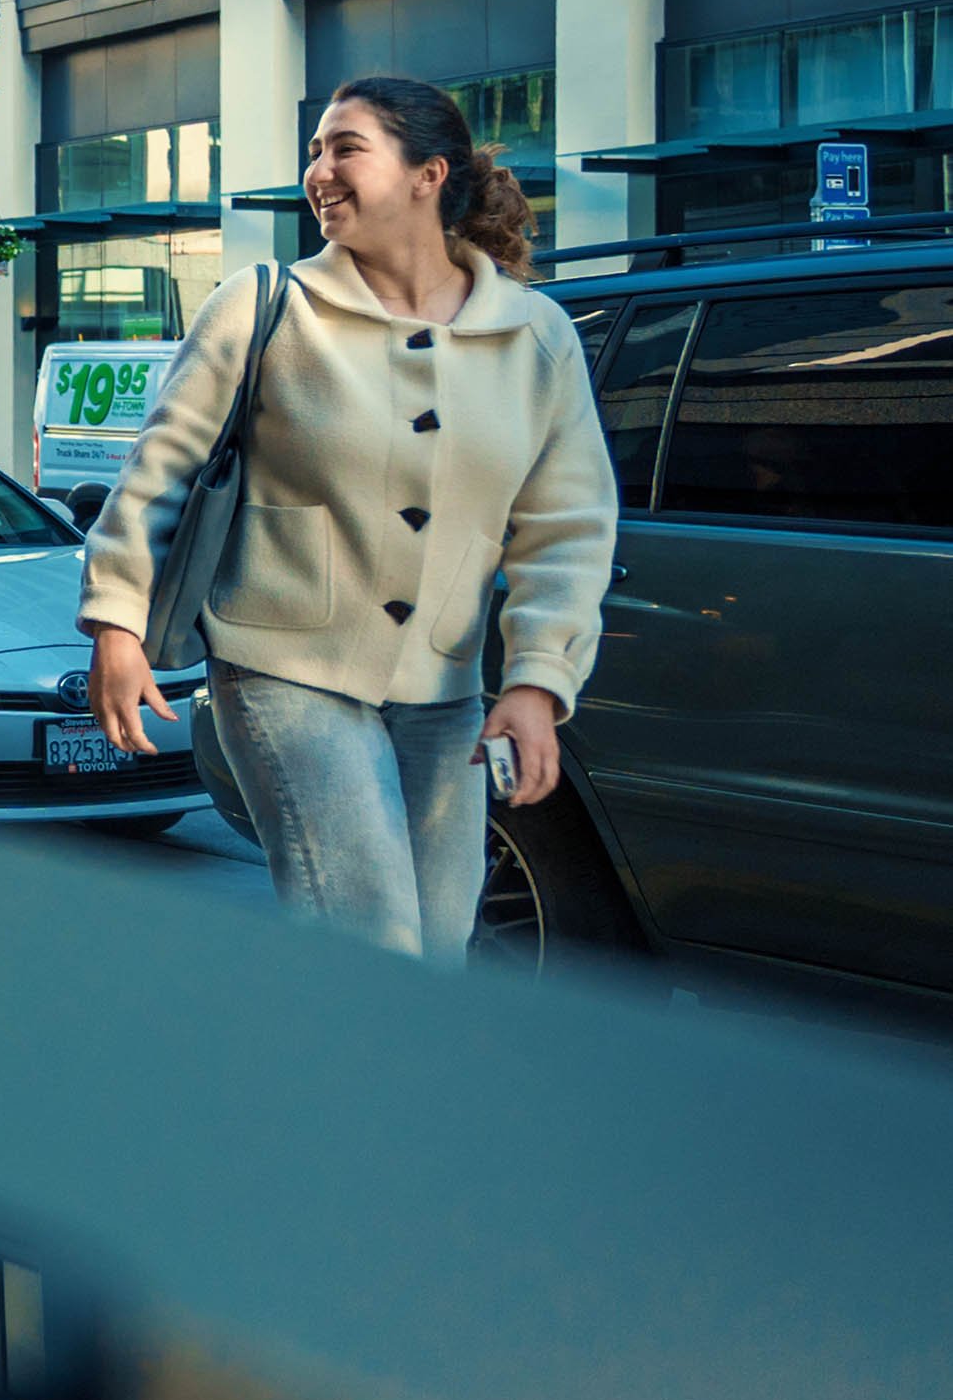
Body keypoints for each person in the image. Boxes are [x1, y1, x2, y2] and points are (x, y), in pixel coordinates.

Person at [79, 76, 617, 964]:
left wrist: (536, 681)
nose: (318, 171)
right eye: (316, 150)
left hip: (444, 692)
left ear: (427, 174)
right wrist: (115, 621)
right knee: (371, 939)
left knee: (436, 948)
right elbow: (158, 473)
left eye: (346, 148)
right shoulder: (266, 307)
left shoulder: (537, 337)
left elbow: (568, 526)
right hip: (283, 667)